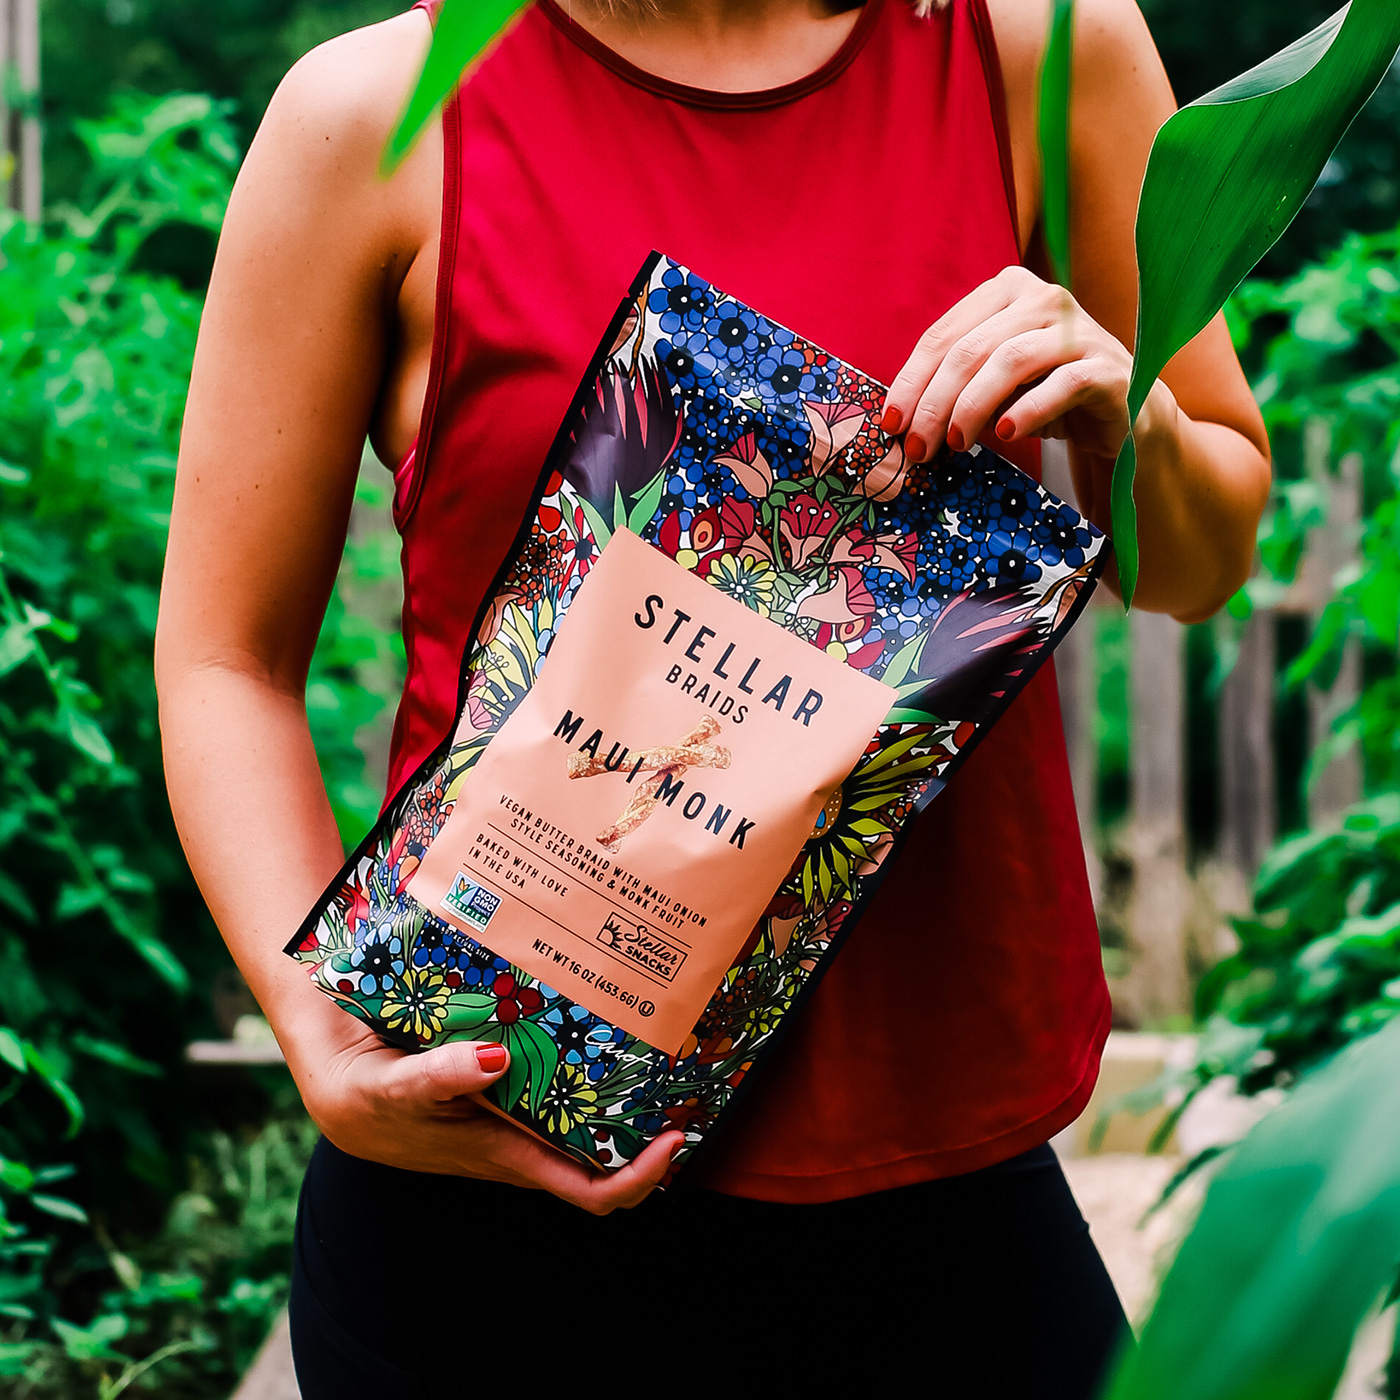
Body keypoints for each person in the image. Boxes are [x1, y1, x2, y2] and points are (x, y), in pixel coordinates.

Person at [155, 0, 1270, 1393]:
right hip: (501, 1172)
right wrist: (311, 1026)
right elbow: (224, 660)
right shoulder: (369, 118)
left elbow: (1199, 562)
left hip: (943, 1200)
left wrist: (1128, 404)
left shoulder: (1042, 53)